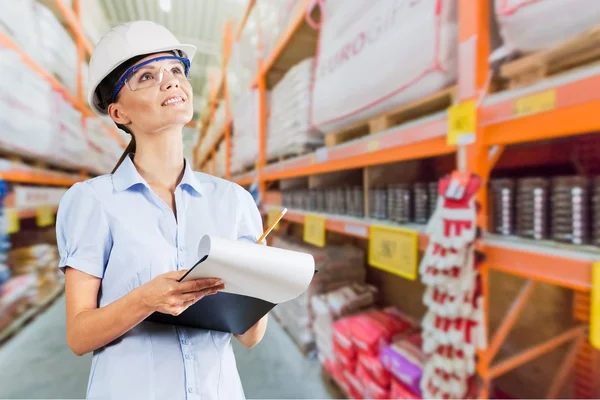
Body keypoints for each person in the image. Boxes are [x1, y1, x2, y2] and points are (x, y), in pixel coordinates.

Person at [55, 21, 267, 400]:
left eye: (175, 70)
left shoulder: (233, 201)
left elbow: (250, 336)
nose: (170, 82)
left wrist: (264, 283)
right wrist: (146, 299)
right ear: (119, 113)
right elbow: (78, 335)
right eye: (147, 77)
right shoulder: (93, 201)